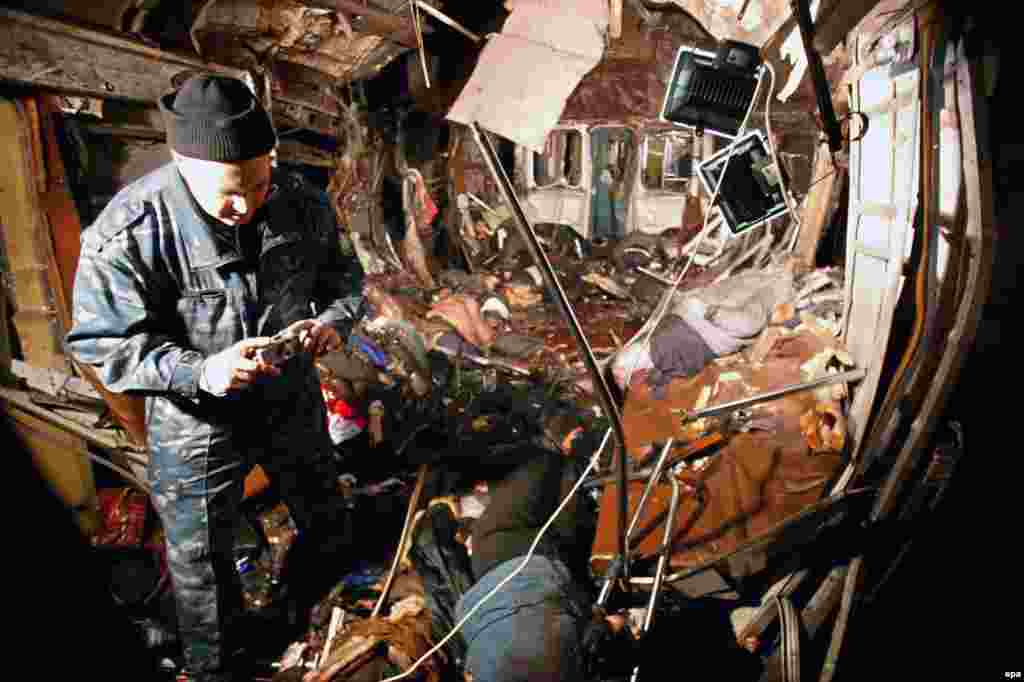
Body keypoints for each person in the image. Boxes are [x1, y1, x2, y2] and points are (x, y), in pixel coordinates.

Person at [66, 74, 365, 681]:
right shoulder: (130, 228)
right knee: (202, 561)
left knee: (326, 515)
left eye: (260, 182)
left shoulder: (300, 199)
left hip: (289, 399)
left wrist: (332, 322)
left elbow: (346, 281)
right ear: (183, 163)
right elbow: (102, 345)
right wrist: (204, 370)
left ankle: (315, 617)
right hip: (195, 418)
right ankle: (217, 667)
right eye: (231, 192)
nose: (249, 203)